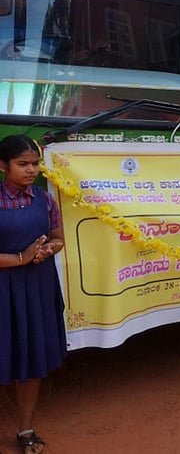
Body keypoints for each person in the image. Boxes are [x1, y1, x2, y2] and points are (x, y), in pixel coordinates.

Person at [0, 135, 66, 454]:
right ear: (2, 166)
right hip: (3, 288)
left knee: (29, 355)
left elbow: (58, 238)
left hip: (36, 288)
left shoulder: (45, 199)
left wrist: (45, 251)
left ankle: (25, 429)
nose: (31, 170)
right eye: (22, 164)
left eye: (35, 164)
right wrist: (20, 259)